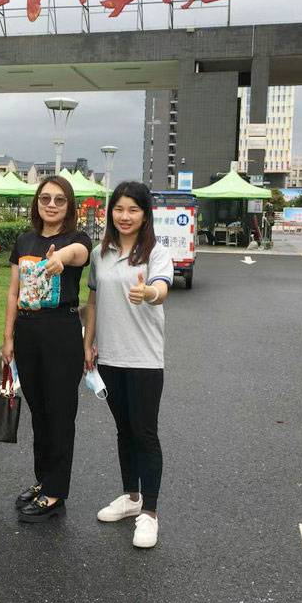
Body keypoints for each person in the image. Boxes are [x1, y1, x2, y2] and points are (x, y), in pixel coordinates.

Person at [83, 181, 172, 548]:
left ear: (145, 215)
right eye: (119, 209)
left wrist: (147, 292)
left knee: (144, 432)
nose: (124, 216)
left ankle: (149, 512)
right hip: (110, 356)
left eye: (133, 209)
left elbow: (161, 290)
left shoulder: (156, 254)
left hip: (144, 358)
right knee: (124, 430)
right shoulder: (99, 253)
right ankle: (130, 497)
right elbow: (92, 300)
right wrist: (88, 343)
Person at [2, 175, 91, 523]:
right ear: (36, 203)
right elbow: (13, 291)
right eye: (45, 199)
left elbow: (79, 254)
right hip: (27, 332)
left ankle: (55, 493)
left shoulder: (77, 239)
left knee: (59, 414)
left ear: (69, 206)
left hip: (60, 332)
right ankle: (44, 480)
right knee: (39, 413)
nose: (51, 205)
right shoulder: (25, 240)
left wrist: (61, 257)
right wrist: (8, 338)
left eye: (59, 200)